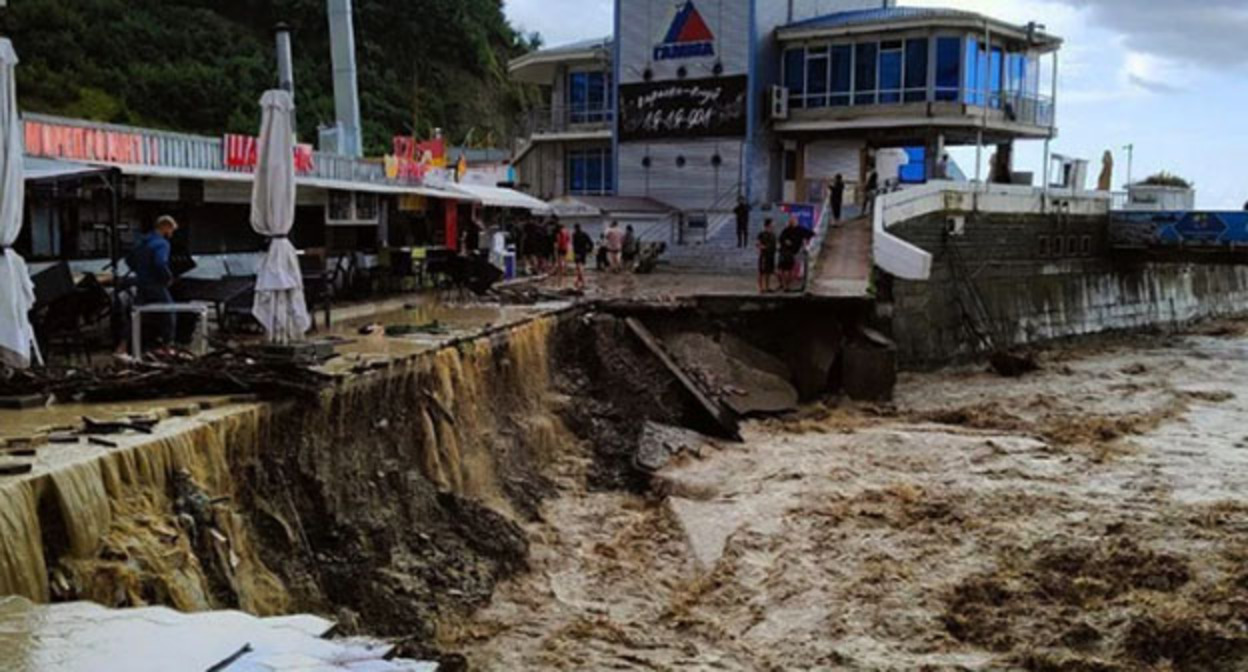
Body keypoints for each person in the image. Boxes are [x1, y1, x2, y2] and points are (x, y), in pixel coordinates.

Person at [128, 215, 178, 350]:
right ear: (165, 227)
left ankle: (122, 346)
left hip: (141, 282)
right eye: (171, 230)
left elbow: (129, 259)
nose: (171, 234)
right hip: (155, 283)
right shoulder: (162, 243)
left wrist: (139, 270)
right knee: (169, 312)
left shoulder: (142, 240)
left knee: (135, 315)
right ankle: (168, 345)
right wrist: (168, 277)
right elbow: (160, 262)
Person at [778, 217, 814, 292]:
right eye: (791, 221)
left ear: (796, 221)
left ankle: (786, 286)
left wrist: (806, 240)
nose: (792, 222)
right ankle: (784, 285)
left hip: (792, 252)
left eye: (793, 221)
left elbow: (811, 234)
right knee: (783, 269)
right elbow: (781, 238)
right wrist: (785, 241)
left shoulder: (800, 229)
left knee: (789, 269)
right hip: (785, 251)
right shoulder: (787, 230)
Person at [756, 218, 777, 293]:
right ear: (768, 225)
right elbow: (758, 244)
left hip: (771, 256)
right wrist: (763, 247)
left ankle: (767, 287)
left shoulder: (773, 235)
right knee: (762, 272)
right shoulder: (761, 234)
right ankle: (761, 288)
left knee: (768, 272)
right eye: (772, 223)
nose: (774, 225)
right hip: (764, 256)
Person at [572, 223, 594, 291]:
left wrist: (575, 252)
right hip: (583, 252)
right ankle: (578, 281)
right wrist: (589, 250)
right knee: (581, 267)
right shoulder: (585, 234)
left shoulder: (574, 235)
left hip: (577, 252)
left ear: (575, 228)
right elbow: (591, 243)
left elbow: (574, 245)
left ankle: (583, 281)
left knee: (578, 267)